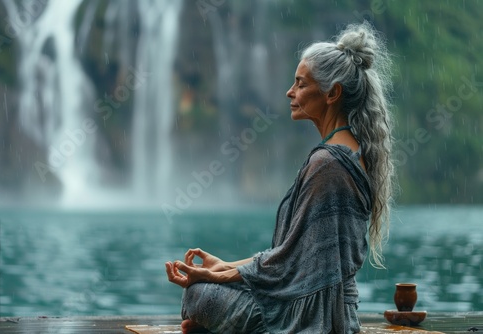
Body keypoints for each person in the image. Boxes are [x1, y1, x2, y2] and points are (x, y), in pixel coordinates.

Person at [165, 21, 395, 333]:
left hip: (310, 317)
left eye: (301, 84)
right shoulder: (349, 152)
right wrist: (226, 266)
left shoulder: (327, 162)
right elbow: (293, 256)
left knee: (198, 296)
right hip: (328, 308)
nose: (290, 91)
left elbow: (288, 264)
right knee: (204, 293)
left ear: (333, 93)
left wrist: (217, 277)